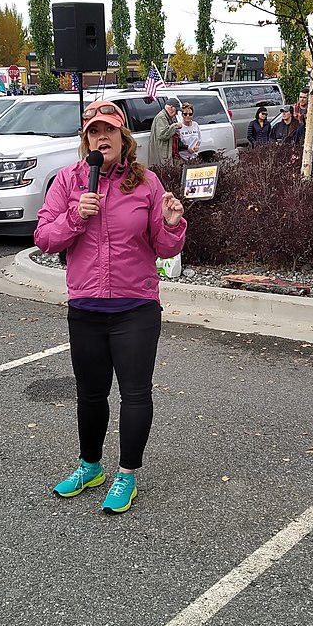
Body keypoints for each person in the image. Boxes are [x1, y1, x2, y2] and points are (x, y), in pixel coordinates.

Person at [34, 100, 187, 513]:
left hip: (135, 306)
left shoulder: (147, 183)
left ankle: (126, 475)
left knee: (135, 394)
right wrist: (74, 215)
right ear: (85, 141)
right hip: (85, 306)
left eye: (110, 131)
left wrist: (173, 224)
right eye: (93, 132)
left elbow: (164, 246)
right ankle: (90, 466)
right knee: (90, 394)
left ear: (124, 138)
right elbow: (45, 238)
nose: (102, 138)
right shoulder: (68, 181)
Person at [148, 97, 182, 166]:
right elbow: (162, 135)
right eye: (176, 110)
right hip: (162, 157)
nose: (176, 114)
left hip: (166, 155)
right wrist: (175, 126)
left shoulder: (166, 117)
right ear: (171, 107)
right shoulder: (161, 117)